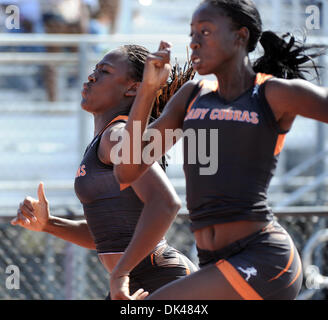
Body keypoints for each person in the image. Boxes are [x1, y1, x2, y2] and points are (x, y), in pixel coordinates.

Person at [113, 0, 328, 300]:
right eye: (191, 34)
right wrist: (148, 90)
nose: (194, 43)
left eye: (205, 32)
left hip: (264, 259)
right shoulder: (191, 96)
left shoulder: (271, 93)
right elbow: (127, 170)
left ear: (240, 37)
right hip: (215, 263)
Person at [11, 44, 197, 300]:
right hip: (136, 281)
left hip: (159, 279)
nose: (91, 76)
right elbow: (110, 236)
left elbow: (166, 203)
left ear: (133, 88)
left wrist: (121, 273)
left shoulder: (116, 136)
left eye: (105, 71)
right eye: (94, 69)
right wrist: (49, 224)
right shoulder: (107, 140)